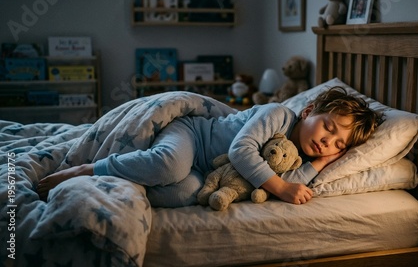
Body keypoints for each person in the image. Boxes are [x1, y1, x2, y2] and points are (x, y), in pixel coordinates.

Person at [37, 86, 381, 207]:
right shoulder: (278, 115)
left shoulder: (304, 155)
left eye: (337, 143)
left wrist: (321, 164)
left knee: (184, 194)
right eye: (328, 127)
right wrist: (278, 187)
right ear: (308, 112)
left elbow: (298, 184)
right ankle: (90, 169)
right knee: (170, 165)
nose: (326, 140)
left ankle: (108, 186)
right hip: (193, 135)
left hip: (205, 172)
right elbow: (241, 151)